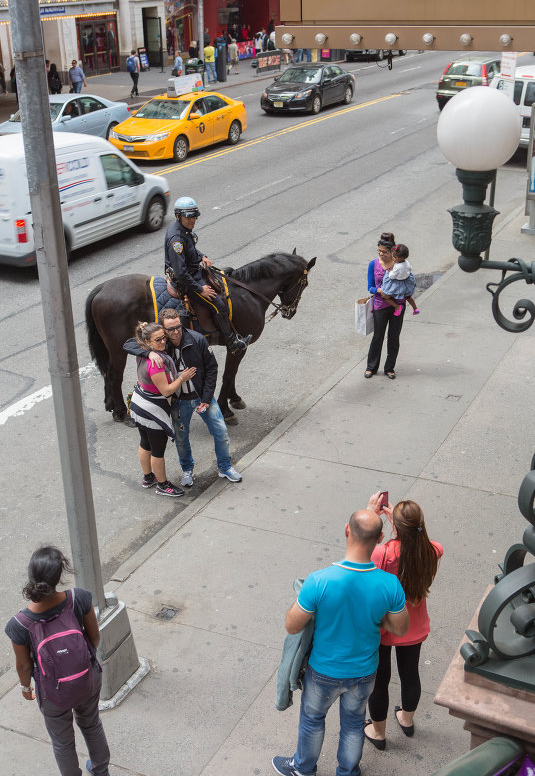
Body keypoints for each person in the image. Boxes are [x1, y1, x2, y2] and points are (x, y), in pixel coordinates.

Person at [272, 494, 409, 776]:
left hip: (324, 671)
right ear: (381, 537)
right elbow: (400, 628)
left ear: (346, 531)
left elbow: (292, 625)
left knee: (312, 720)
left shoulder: (319, 581)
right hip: (364, 672)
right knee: (353, 723)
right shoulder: (389, 585)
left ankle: (304, 768)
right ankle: (348, 772)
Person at [5, 546, 111, 776]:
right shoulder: (79, 598)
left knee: (62, 742)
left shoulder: (20, 624)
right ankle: (101, 771)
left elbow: (24, 665)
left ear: (32, 577)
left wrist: (25, 687)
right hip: (87, 679)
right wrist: (79, 663)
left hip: (52, 691)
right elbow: (94, 637)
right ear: (59, 575)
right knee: (91, 724)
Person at [124, 309, 243, 485]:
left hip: (202, 397)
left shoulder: (197, 339)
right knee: (181, 438)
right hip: (179, 401)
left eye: (178, 327)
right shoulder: (160, 344)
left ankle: (225, 467)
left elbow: (212, 368)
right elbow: (128, 343)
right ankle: (187, 470)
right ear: (163, 330)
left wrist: (206, 397)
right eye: (170, 329)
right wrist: (149, 352)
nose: (175, 332)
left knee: (221, 431)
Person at [364, 500, 443, 749]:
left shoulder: (383, 554)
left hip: (385, 628)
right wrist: (402, 529)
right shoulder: (431, 551)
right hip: (413, 628)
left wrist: (370, 515)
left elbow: (361, 552)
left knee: (380, 681)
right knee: (410, 674)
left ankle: (379, 734)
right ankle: (406, 720)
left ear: (397, 527)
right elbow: (426, 545)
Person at [164, 196, 252, 355]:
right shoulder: (176, 239)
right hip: (186, 280)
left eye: (194, 216)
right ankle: (232, 342)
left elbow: (190, 250)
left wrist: (202, 257)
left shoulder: (183, 230)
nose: (192, 220)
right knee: (218, 303)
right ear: (178, 216)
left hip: (194, 271)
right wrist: (200, 289)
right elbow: (181, 273)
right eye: (188, 217)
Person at [128, 321, 188, 497]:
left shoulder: (142, 353)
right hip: (152, 409)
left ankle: (148, 477)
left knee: (145, 442)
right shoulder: (156, 362)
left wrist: (149, 351)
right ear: (147, 342)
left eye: (163, 338)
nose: (163, 342)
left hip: (139, 403)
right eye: (158, 340)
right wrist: (182, 377)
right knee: (157, 450)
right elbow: (167, 390)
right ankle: (162, 485)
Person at [364, 232, 406, 380]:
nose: (381, 254)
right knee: (378, 336)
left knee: (394, 337)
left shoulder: (400, 265)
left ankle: (389, 368)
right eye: (379, 251)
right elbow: (370, 287)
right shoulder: (373, 264)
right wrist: (380, 290)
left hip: (398, 306)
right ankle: (371, 367)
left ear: (392, 251)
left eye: (385, 252)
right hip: (380, 305)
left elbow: (407, 283)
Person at [378, 243, 419, 317]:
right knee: (408, 296)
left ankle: (397, 307)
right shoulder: (407, 262)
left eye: (395, 257)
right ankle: (415, 308)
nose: (393, 258)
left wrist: (390, 271)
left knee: (385, 296)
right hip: (406, 281)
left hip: (397, 283)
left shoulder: (398, 267)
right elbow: (410, 269)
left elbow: (392, 276)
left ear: (401, 258)